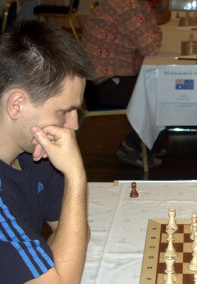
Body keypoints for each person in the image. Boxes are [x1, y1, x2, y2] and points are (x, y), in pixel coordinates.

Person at [0, 21, 91, 284]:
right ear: (17, 104)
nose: (73, 126)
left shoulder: (34, 148)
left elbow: (75, 230)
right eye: (63, 111)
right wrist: (76, 176)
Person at [81, 0, 167, 168]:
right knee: (159, 94)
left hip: (114, 76)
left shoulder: (139, 3)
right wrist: (146, 44)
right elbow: (151, 47)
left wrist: (147, 42)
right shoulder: (127, 4)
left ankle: (149, 145)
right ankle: (131, 147)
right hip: (102, 85)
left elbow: (154, 31)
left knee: (161, 86)